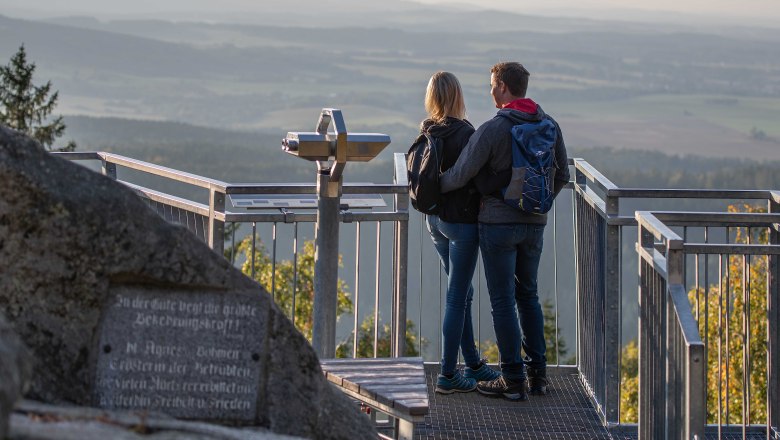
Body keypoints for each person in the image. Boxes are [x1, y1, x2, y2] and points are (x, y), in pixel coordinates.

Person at [440, 62, 570, 400]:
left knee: (502, 301)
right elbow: (562, 176)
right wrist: (538, 203)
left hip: (497, 225)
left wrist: (430, 188)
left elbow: (461, 173)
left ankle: (512, 379)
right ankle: (537, 376)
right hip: (535, 224)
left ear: (500, 87)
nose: (490, 90)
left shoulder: (494, 129)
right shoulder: (549, 124)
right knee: (528, 295)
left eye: (491, 85)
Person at [418, 71, 502, 394]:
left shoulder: (428, 131)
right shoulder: (466, 133)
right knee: (457, 296)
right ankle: (448, 374)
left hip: (435, 221)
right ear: (457, 96)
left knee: (462, 293)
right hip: (462, 225)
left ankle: (474, 363)